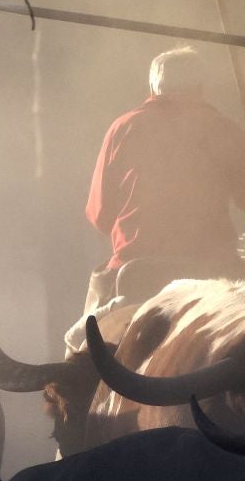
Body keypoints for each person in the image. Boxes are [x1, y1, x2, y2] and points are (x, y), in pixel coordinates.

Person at [69, 46, 245, 349]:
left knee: (77, 345)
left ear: (153, 86)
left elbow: (99, 214)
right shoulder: (226, 129)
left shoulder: (124, 127)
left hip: (139, 274)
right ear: (201, 87)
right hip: (216, 270)